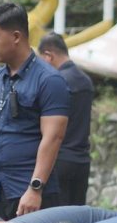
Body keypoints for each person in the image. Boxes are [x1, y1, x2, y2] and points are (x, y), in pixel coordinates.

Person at [0, 3, 69, 220]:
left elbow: (53, 138)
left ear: (16, 37)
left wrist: (35, 188)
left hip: (28, 194)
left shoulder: (49, 80)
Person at [38, 32, 94, 206]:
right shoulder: (85, 80)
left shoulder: (57, 82)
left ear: (48, 56)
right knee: (76, 222)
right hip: (81, 160)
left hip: (58, 160)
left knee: (57, 222)